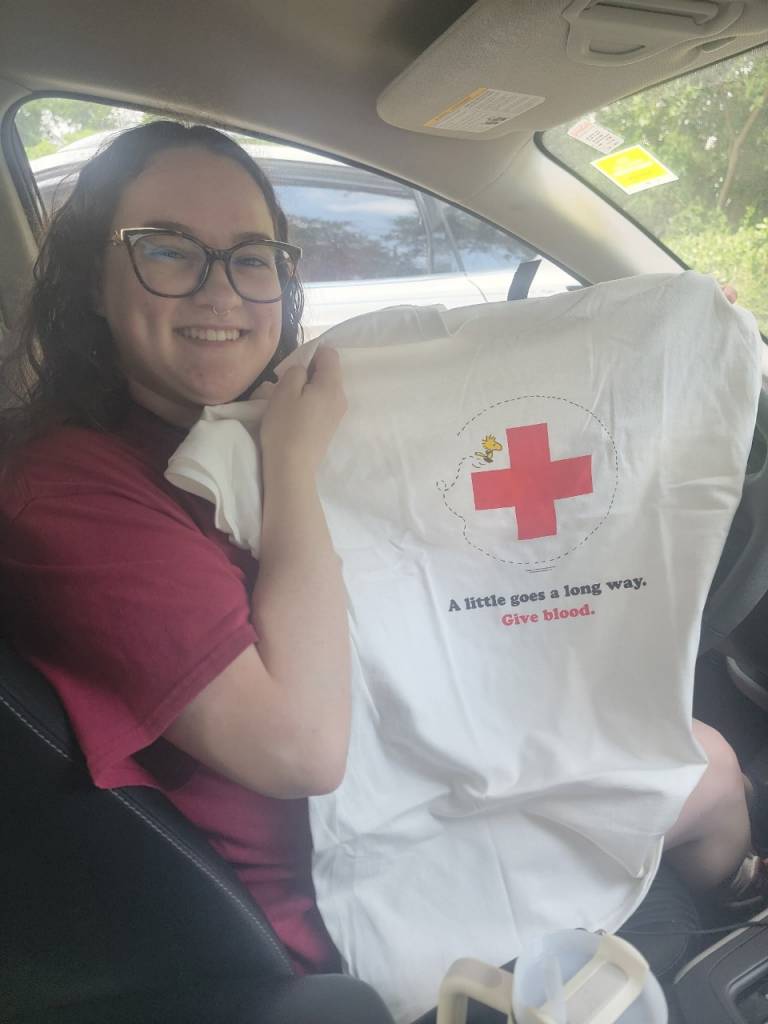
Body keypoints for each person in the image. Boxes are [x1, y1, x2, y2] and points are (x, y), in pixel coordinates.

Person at [0, 121, 764, 982]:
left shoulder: (260, 411)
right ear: (93, 281)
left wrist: (684, 357)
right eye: (169, 251)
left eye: (252, 256)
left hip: (406, 757)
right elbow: (301, 751)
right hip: (353, 875)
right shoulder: (68, 492)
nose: (222, 292)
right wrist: (291, 465)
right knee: (712, 770)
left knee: (686, 749)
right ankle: (734, 913)